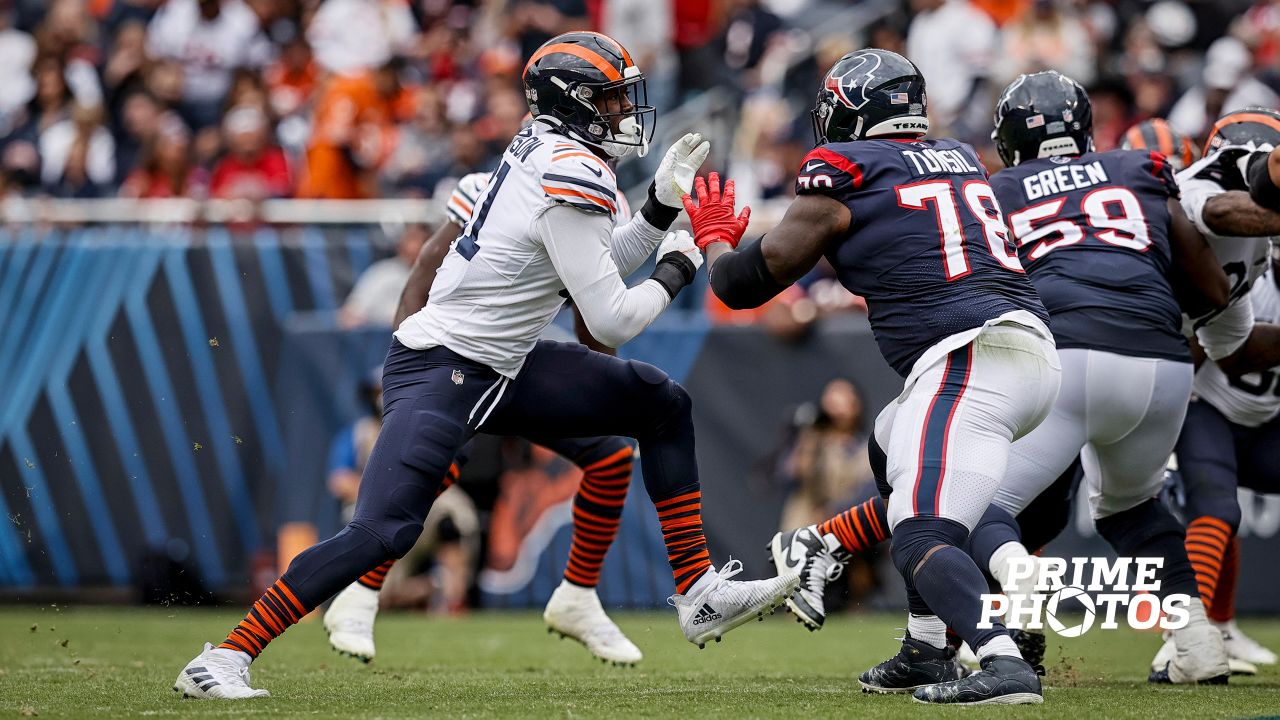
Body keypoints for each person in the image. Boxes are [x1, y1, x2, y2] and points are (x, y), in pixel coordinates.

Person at [174, 31, 797, 700]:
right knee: (383, 530)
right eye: (612, 98)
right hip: (445, 367)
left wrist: (658, 208)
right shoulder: (570, 168)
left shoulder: (550, 151)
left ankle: (697, 591)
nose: (624, 112)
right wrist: (685, 258)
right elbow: (612, 318)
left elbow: (595, 264)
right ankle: (225, 656)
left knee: (660, 403)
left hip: (498, 362)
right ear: (575, 102)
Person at [689, 48, 1060, 705]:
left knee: (921, 531)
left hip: (971, 355)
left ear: (855, 112)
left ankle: (1002, 661)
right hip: (1018, 348)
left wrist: (714, 239)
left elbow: (745, 283)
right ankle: (924, 647)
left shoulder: (845, 167)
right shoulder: (958, 156)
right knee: (890, 445)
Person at [956, 71, 1230, 685]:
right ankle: (1197, 643)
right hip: (1162, 363)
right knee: (1131, 507)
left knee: (976, 503)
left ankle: (1013, 610)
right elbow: (1210, 288)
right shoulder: (1138, 168)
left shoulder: (995, 190)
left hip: (1067, 351)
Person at [324, 174, 645, 666]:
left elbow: (594, 318)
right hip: (457, 356)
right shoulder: (495, 184)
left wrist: (611, 398)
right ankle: (361, 593)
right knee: (430, 468)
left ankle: (578, 595)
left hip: (521, 360)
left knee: (610, 454)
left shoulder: (599, 198)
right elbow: (425, 271)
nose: (619, 114)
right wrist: (408, 378)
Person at [1153, 248, 1280, 674]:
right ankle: (1182, 639)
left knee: (1223, 513)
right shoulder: (1251, 285)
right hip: (1208, 409)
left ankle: (1221, 628)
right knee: (1217, 509)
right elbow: (1193, 339)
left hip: (1268, 424)